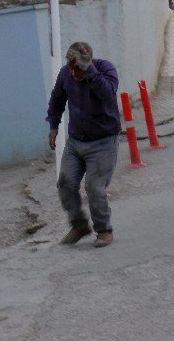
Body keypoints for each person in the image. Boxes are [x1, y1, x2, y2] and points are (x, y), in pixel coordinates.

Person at [46, 42, 121, 248]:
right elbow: (57, 101)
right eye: (71, 66)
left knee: (94, 187)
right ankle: (79, 226)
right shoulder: (65, 74)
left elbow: (108, 95)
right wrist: (53, 126)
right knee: (65, 182)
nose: (73, 71)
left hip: (103, 141)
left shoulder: (106, 70)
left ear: (89, 61)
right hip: (76, 141)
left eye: (78, 66)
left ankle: (104, 230)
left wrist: (89, 71)